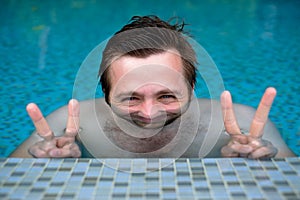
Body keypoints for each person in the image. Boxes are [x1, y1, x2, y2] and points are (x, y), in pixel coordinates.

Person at [10, 15, 294, 158]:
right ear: (106, 95)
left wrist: (265, 161)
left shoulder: (244, 122)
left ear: (192, 88)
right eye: (131, 98)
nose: (150, 113)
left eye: (167, 95)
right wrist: (39, 160)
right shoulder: (69, 123)